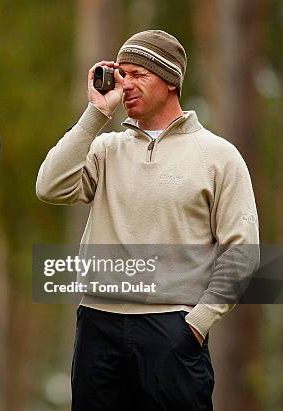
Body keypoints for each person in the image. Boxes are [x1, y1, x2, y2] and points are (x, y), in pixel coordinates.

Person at [36, 30, 259, 410]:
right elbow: (50, 186)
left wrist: (197, 322)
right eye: (121, 74)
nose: (127, 85)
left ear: (171, 80)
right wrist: (95, 115)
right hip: (97, 326)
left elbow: (243, 251)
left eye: (139, 74)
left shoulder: (218, 156)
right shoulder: (105, 148)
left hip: (173, 330)